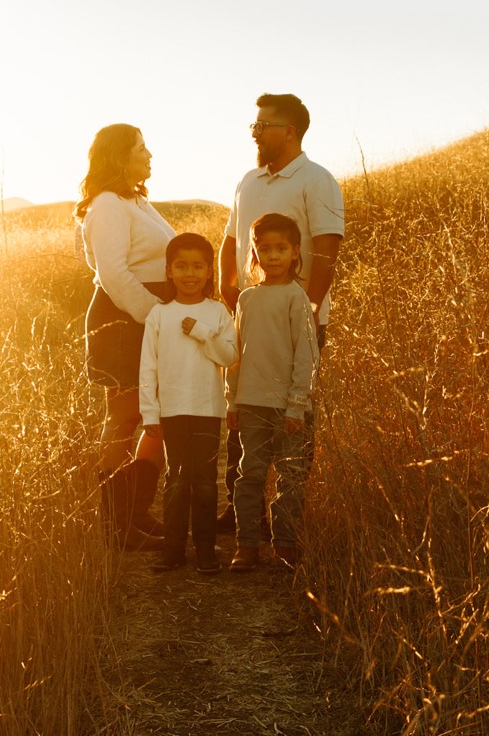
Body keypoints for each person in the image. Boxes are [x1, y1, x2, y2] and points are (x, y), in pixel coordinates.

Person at [218, 93, 345, 534]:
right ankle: (240, 519)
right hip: (250, 318)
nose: (254, 132)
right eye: (254, 125)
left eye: (262, 125)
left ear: (288, 131)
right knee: (245, 410)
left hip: (298, 320)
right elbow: (230, 239)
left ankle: (288, 524)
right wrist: (226, 288)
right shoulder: (247, 182)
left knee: (294, 417)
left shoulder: (316, 179)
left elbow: (327, 248)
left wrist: (308, 309)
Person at [77, 123, 175, 550]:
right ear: (120, 157)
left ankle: (137, 513)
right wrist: (154, 315)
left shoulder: (134, 200)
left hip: (145, 317)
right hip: (123, 322)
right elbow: (111, 273)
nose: (149, 154)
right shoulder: (108, 205)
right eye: (141, 148)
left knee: (155, 416)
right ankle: (117, 527)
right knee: (124, 418)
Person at [138, 233, 238, 574]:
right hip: (172, 410)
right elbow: (147, 368)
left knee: (206, 481)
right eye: (182, 266)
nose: (189, 274)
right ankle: (174, 549)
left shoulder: (217, 313)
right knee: (177, 479)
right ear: (169, 270)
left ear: (210, 271)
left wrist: (202, 331)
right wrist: (150, 412)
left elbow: (229, 355)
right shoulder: (159, 314)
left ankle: (206, 550)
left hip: (207, 409)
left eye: (197, 266)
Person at [226, 212, 318, 571]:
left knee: (290, 476)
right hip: (251, 404)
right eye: (266, 249)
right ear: (255, 253)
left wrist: (297, 404)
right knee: (250, 474)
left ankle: (285, 546)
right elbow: (234, 354)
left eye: (282, 249)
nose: (274, 256)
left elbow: (306, 356)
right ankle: (246, 544)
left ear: (296, 252)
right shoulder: (247, 299)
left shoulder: (297, 298)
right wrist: (231, 399)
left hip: (287, 407)